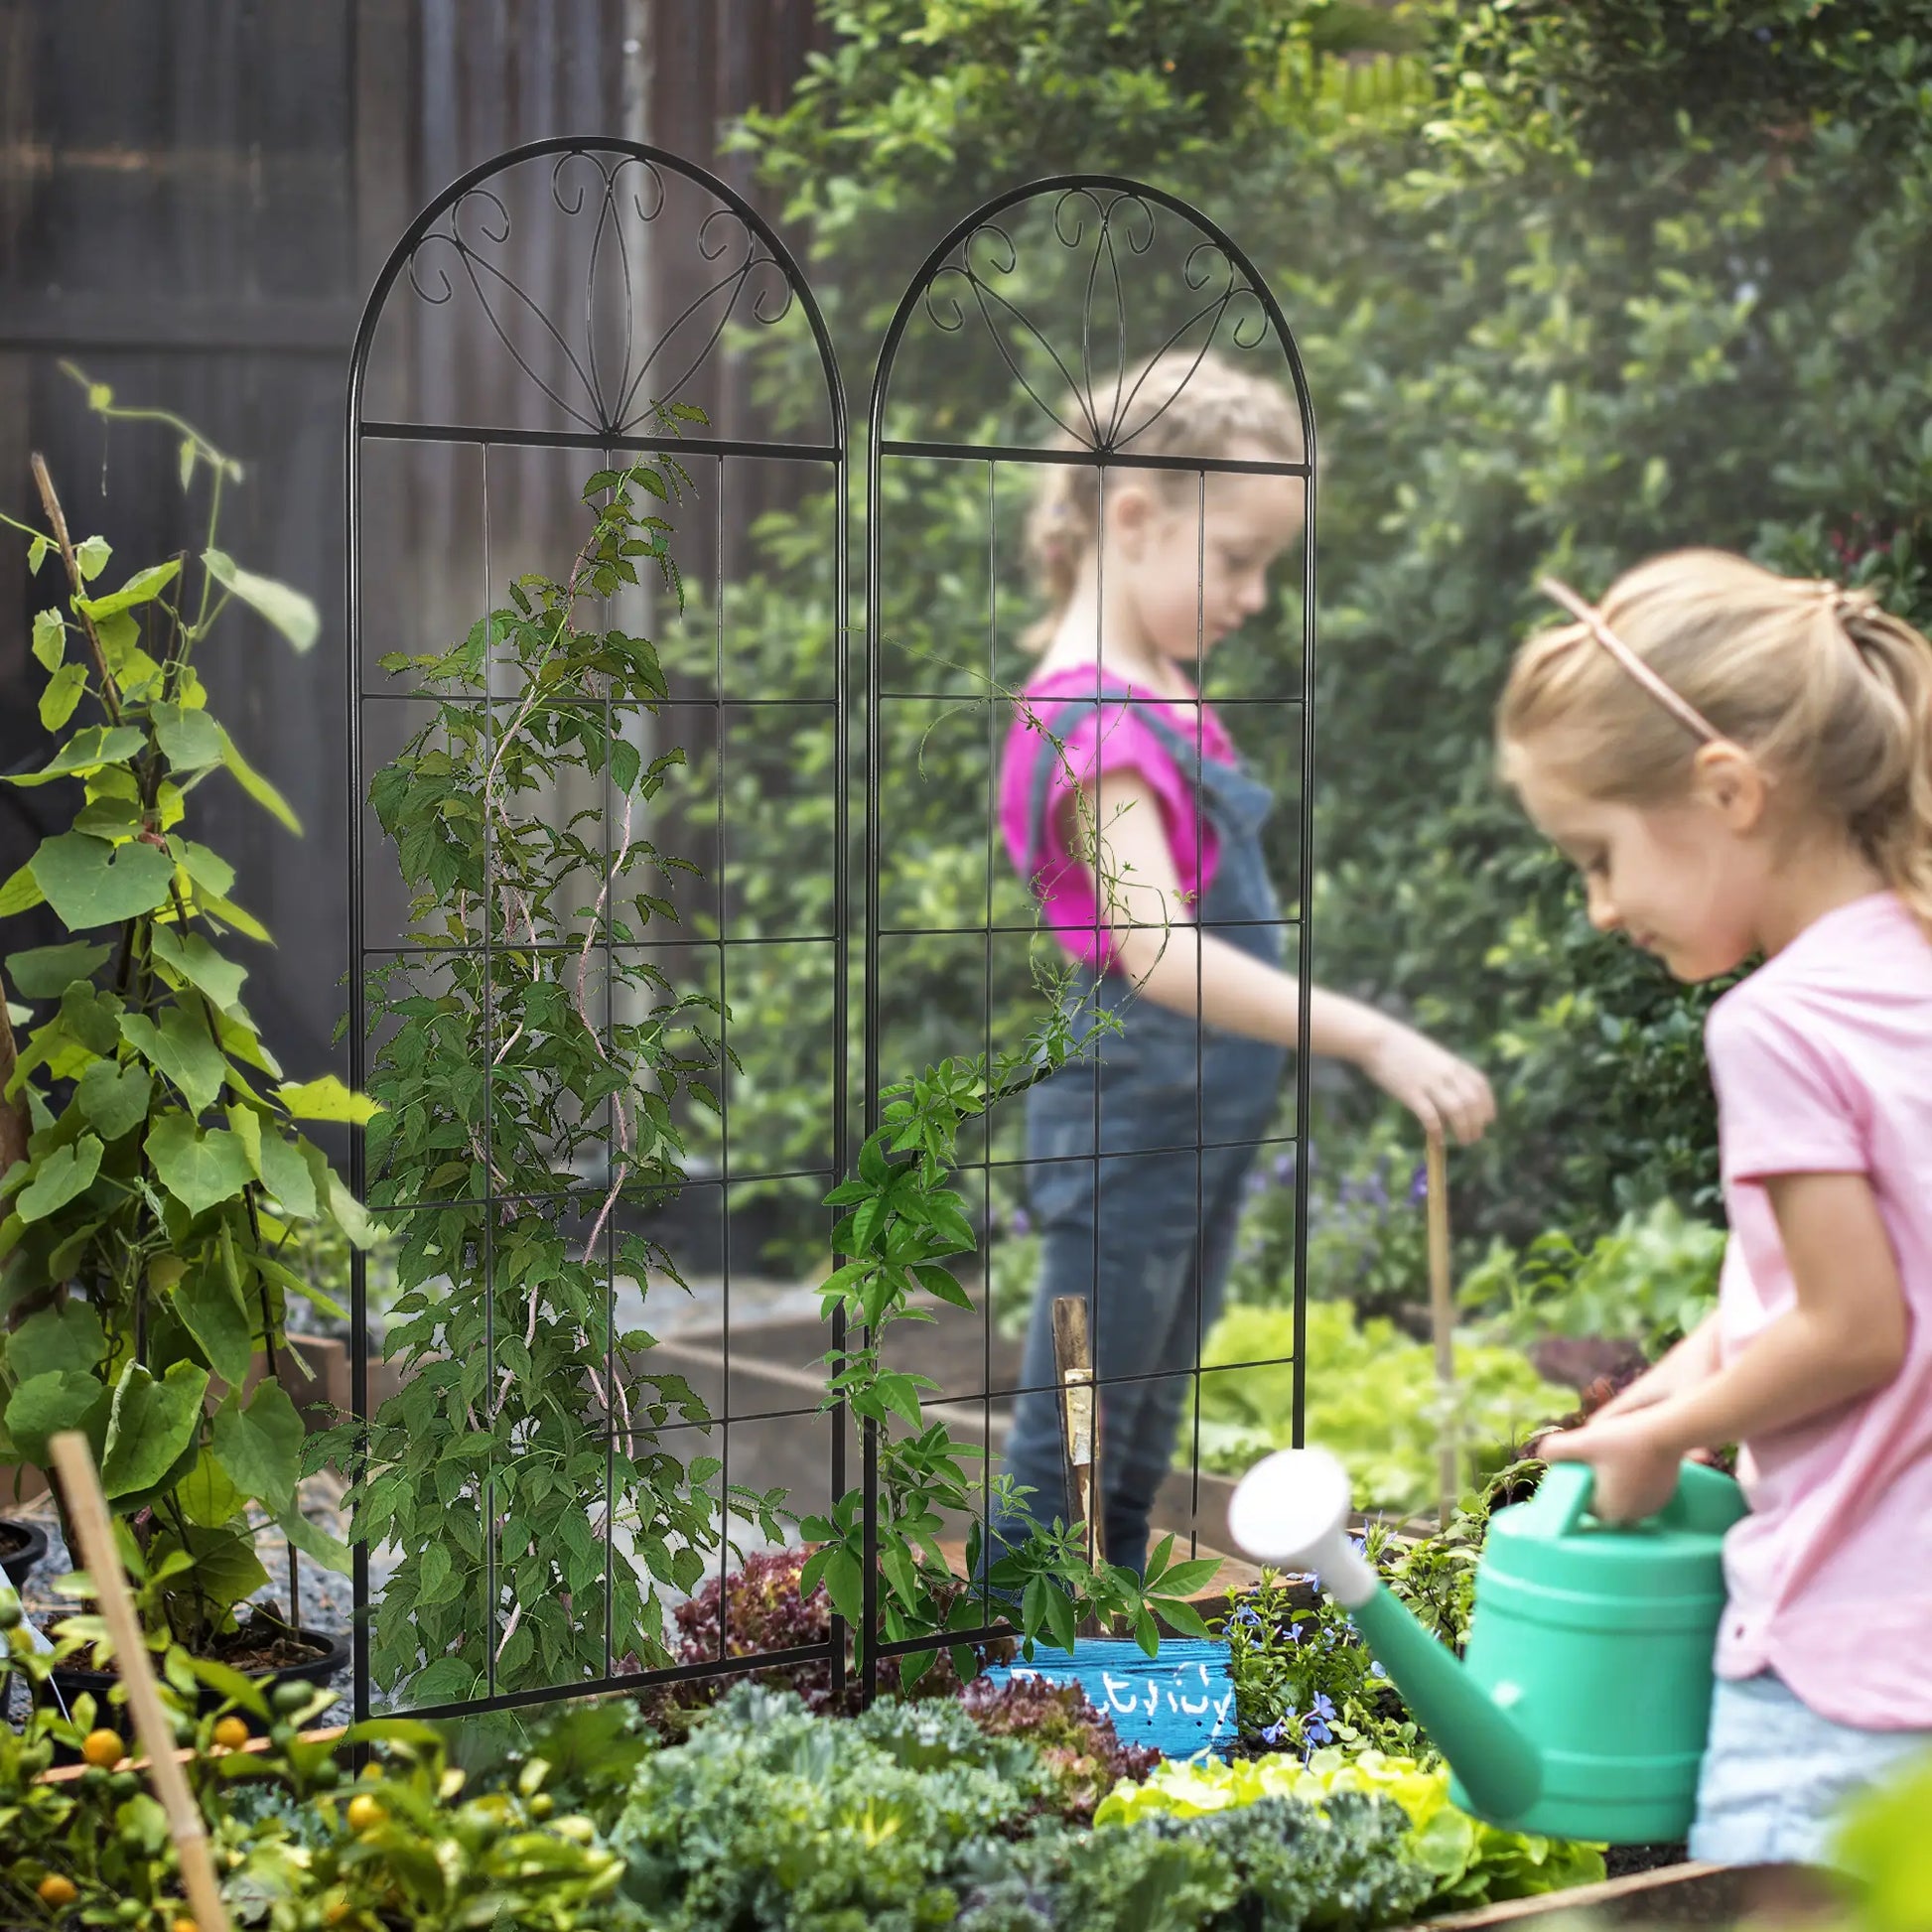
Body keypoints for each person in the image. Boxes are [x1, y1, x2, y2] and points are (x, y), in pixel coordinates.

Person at [990, 348, 1494, 1576]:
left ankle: (1083, 1651)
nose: (1256, 595)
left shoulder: (1159, 690)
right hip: (1124, 1129)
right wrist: (1372, 1033)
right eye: (1236, 559)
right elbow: (1156, 950)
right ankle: (1000, 1653)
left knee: (1142, 1409)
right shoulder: (1094, 721)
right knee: (1074, 1419)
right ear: (1131, 516)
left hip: (1195, 1123)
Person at [1498, 551, 1932, 1901]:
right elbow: (1794, 1292)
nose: (1600, 906)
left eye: (1597, 856)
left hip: (1838, 1666)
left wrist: (1661, 1432)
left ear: (1726, 793)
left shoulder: (1775, 1024)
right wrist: (1651, 1399)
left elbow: (1855, 1326)